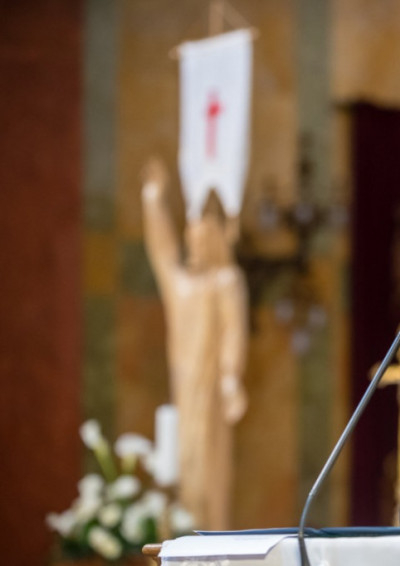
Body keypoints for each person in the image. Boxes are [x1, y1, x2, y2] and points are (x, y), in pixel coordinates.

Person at [141, 156, 249, 530]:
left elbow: (234, 331)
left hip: (212, 392)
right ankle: (185, 533)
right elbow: (161, 251)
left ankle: (209, 536)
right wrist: (153, 199)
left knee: (210, 470)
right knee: (184, 467)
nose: (195, 247)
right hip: (184, 389)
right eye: (192, 240)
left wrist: (230, 378)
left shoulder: (226, 281)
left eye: (203, 240)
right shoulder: (181, 286)